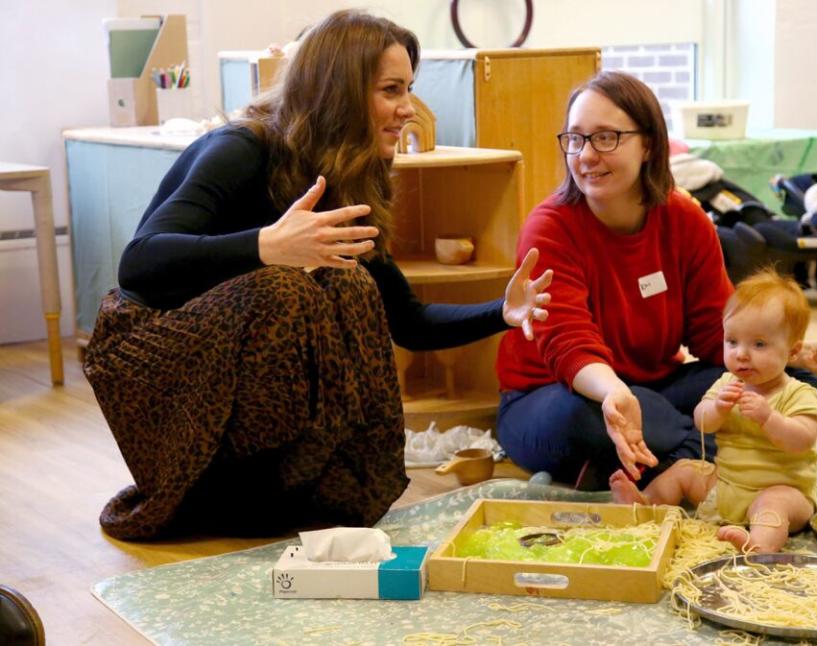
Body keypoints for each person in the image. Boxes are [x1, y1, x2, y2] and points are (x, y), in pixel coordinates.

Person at [83, 9, 552, 540]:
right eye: (391, 90)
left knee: (348, 283)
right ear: (341, 91)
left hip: (228, 359)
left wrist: (503, 312)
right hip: (146, 354)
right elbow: (140, 263)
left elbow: (407, 320)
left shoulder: (346, 172)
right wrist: (267, 246)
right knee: (283, 288)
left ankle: (291, 491)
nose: (408, 109)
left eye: (409, 89)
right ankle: (226, 496)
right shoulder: (241, 148)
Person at [495, 71, 817, 491]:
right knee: (591, 415)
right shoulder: (550, 227)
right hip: (558, 397)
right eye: (576, 139)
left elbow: (715, 333)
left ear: (649, 144)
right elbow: (569, 345)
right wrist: (617, 394)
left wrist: (783, 354)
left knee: (802, 387)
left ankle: (657, 464)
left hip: (655, 390)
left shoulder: (683, 218)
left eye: (605, 138)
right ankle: (707, 460)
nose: (585, 155)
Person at [610, 269, 817, 553]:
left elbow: (803, 439)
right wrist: (717, 408)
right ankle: (646, 504)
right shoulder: (727, 383)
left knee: (774, 506)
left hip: (782, 489)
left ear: (793, 352)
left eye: (759, 344)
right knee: (685, 470)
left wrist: (769, 418)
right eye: (732, 341)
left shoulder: (799, 392)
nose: (741, 354)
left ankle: (759, 546)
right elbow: (702, 421)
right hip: (724, 485)